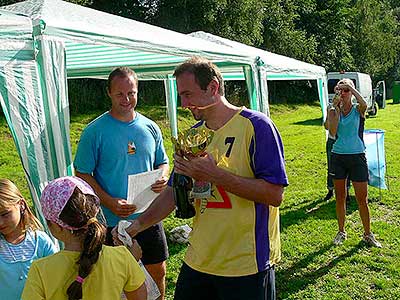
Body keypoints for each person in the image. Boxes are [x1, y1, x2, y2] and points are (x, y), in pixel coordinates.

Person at [118, 57, 289, 300]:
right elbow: (173, 193)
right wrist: (136, 227)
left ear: (212, 88)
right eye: (181, 96)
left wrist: (215, 175)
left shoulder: (257, 126)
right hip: (198, 260)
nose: (184, 103)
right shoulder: (193, 136)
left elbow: (274, 194)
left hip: (245, 264)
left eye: (188, 94)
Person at [74, 67, 170, 298]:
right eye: (120, 94)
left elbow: (162, 162)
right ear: (109, 93)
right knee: (113, 275)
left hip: (147, 216)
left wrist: (163, 176)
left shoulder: (150, 127)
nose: (127, 99)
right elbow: (82, 172)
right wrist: (108, 201)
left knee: (158, 269)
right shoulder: (94, 131)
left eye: (132, 93)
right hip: (109, 219)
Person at [22, 176, 147, 300]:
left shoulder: (40, 271)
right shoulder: (122, 257)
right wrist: (132, 261)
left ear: (56, 225)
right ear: (94, 212)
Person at [327, 78, 382, 248]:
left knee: (362, 199)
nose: (343, 94)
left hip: (357, 157)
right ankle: (341, 231)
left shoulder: (359, 109)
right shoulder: (333, 110)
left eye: (346, 91)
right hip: (338, 157)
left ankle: (368, 234)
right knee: (340, 197)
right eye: (340, 90)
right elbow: (333, 131)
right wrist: (334, 109)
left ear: (351, 92)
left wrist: (351, 87)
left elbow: (365, 104)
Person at [0, 179, 57, 300]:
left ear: (21, 204)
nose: (0, 222)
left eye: (5, 214)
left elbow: (57, 275)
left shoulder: (40, 241)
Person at [323, 111, 351, 202]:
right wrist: (329, 116)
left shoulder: (349, 109)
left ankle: (347, 192)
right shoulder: (331, 109)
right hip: (332, 142)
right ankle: (330, 190)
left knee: (346, 167)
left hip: (344, 142)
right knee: (331, 167)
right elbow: (327, 127)